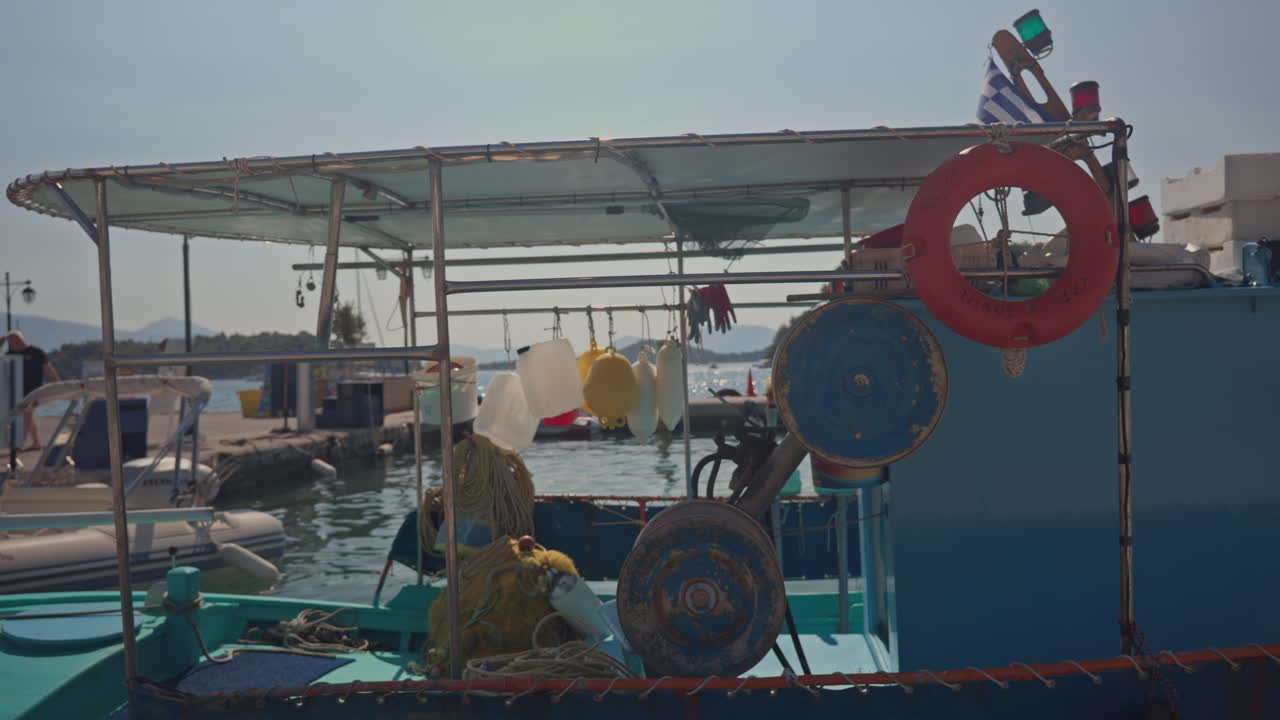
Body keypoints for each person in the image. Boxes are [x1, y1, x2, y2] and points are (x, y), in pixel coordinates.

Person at [2, 330, 59, 450]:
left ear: (18, 340)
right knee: (28, 416)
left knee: (27, 414)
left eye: (11, 342)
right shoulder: (9, 354)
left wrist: (57, 384)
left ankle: (19, 443)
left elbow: (48, 368)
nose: (11, 345)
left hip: (34, 389)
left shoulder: (36, 352)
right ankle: (36, 443)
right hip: (16, 390)